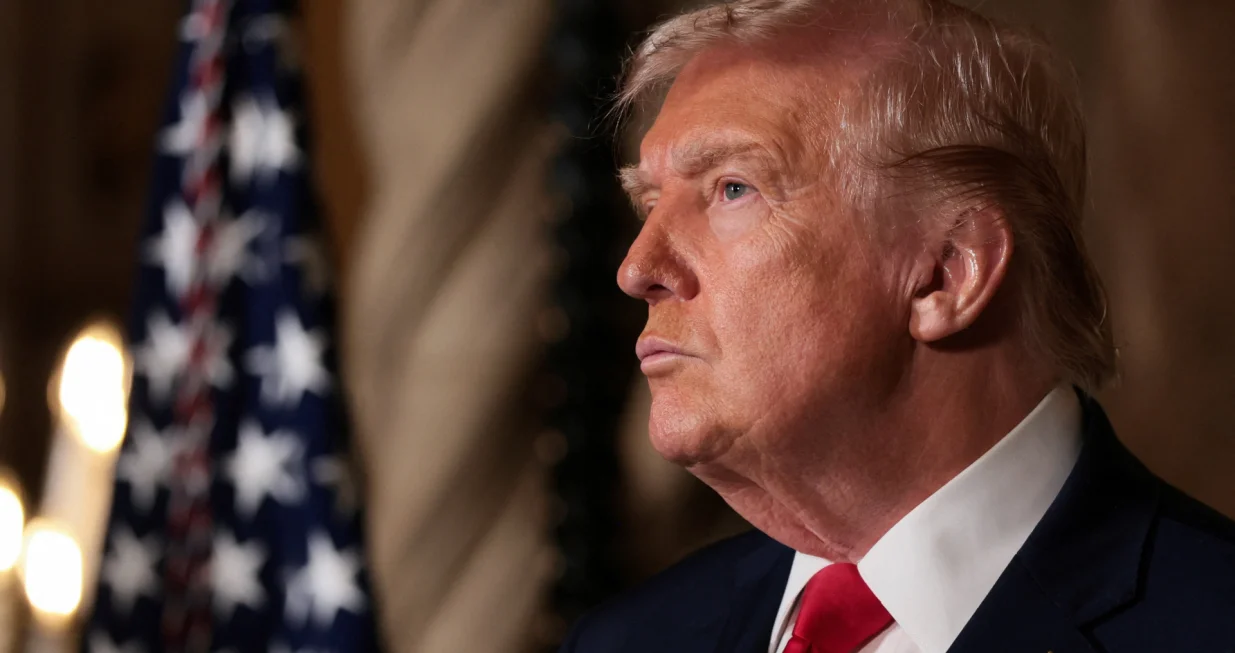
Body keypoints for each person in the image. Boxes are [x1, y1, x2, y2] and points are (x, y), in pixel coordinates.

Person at [559, 1, 1235, 651]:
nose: (637, 267)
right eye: (649, 202)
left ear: (946, 273)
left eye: (733, 188)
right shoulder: (628, 637)